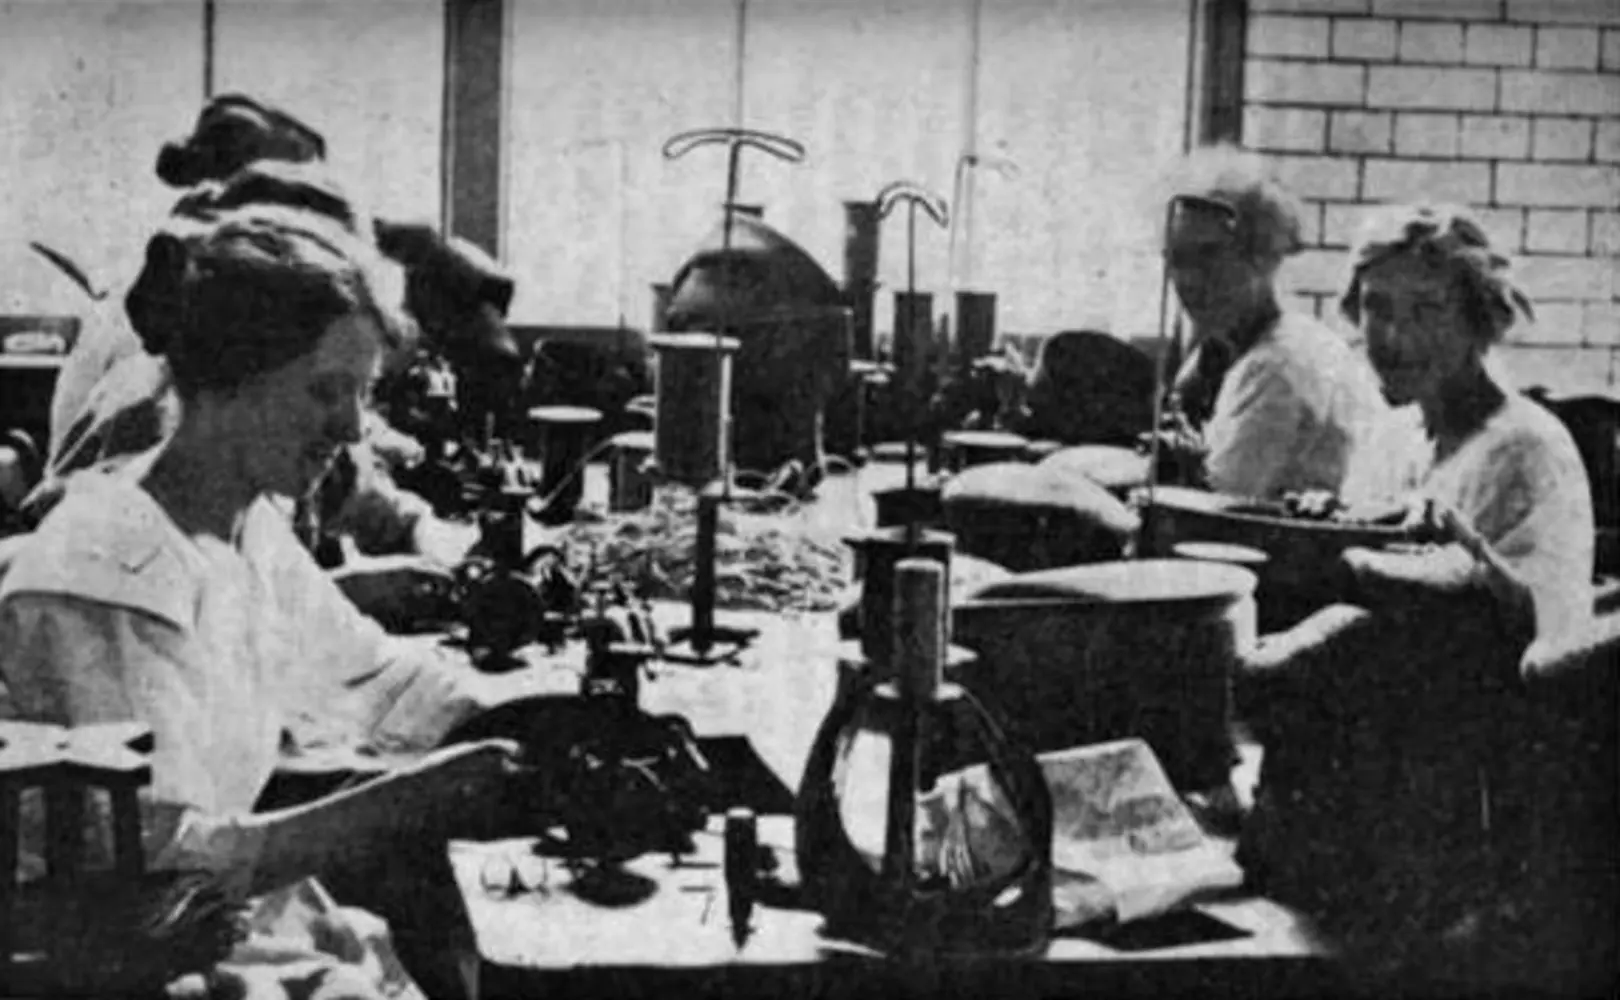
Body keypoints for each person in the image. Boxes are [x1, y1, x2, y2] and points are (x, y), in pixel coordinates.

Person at [0, 202, 526, 999]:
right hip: (126, 956)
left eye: (363, 394)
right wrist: (421, 796)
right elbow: (168, 859)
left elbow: (368, 674)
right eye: (325, 392)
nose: (351, 428)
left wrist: (523, 719)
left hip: (226, 921)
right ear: (230, 381)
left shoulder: (244, 524)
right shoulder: (105, 571)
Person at [1234, 203, 1597, 982]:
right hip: (1376, 759)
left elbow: (1561, 654)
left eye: (1426, 311)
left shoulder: (1528, 446)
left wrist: (1465, 555)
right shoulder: (1396, 433)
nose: (1393, 337)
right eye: (1377, 309)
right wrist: (1334, 527)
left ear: (1479, 321)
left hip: (1478, 794)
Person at [1157, 144, 1390, 500]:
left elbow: (1215, 507)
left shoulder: (1278, 366)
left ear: (1263, 257)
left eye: (1210, 256)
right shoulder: (1229, 351)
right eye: (1177, 258)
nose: (1188, 279)